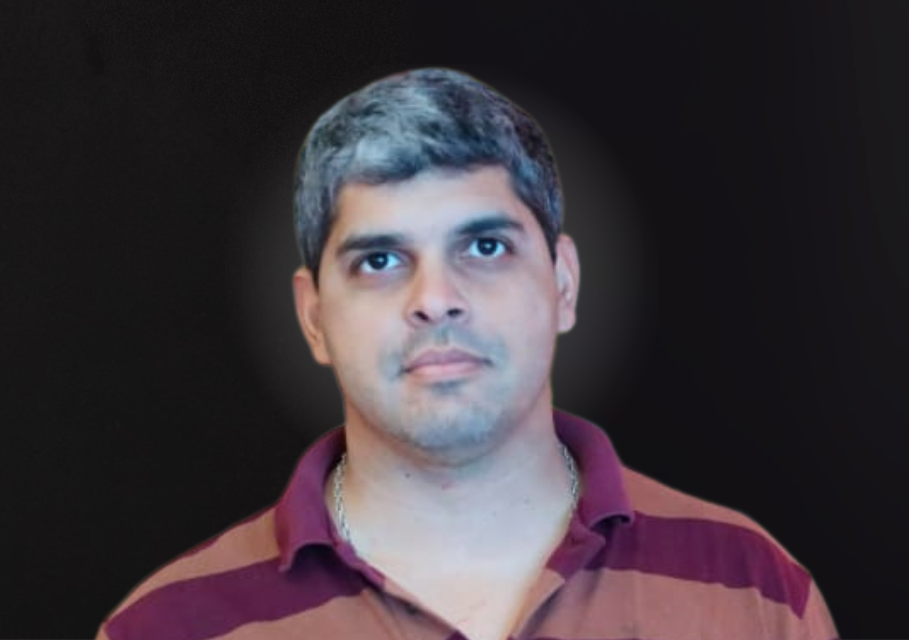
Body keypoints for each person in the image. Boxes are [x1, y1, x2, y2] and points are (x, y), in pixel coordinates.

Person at [96, 67, 840, 640]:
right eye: (380, 260)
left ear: (564, 284)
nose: (436, 298)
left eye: (484, 247)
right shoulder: (166, 629)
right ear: (313, 318)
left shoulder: (754, 594)